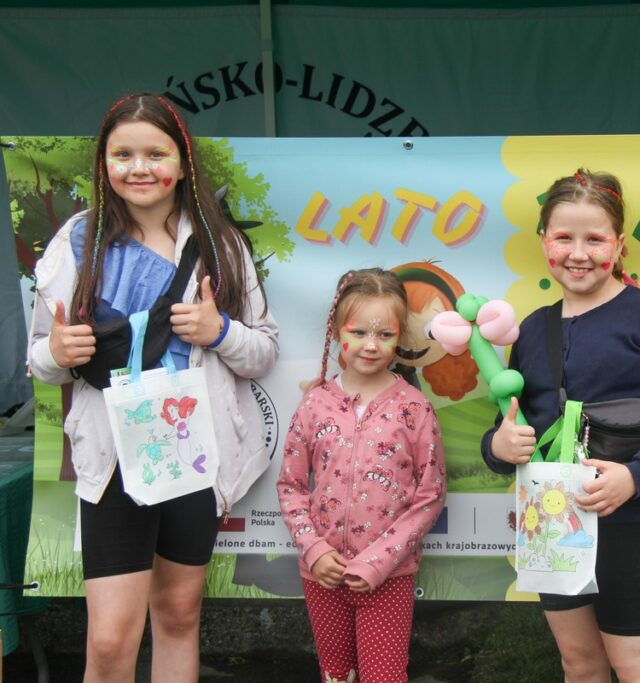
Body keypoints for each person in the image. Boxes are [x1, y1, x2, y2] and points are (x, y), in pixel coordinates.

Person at [27, 92, 279, 681]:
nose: (139, 168)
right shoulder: (77, 242)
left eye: (154, 153)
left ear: (183, 160)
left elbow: (263, 349)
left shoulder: (220, 243)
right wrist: (58, 354)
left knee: (177, 613)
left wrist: (220, 332)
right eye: (123, 154)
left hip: (193, 451)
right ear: (104, 164)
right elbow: (39, 356)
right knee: (111, 640)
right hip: (115, 458)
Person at [480, 169, 640, 683]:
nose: (578, 253)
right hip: (551, 525)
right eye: (563, 238)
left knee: (638, 666)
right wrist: (499, 444)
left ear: (619, 244)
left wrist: (638, 476)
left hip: (627, 525)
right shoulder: (533, 329)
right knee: (579, 663)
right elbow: (507, 431)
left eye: (594, 239)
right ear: (544, 242)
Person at [277, 268, 446, 683]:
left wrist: (377, 563)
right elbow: (291, 488)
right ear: (338, 332)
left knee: (383, 677)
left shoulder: (414, 407)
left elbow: (430, 495)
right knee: (336, 675)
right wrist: (314, 550)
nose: (371, 346)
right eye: (359, 332)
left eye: (385, 335)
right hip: (323, 575)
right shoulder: (315, 404)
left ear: (400, 337)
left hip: (387, 579)